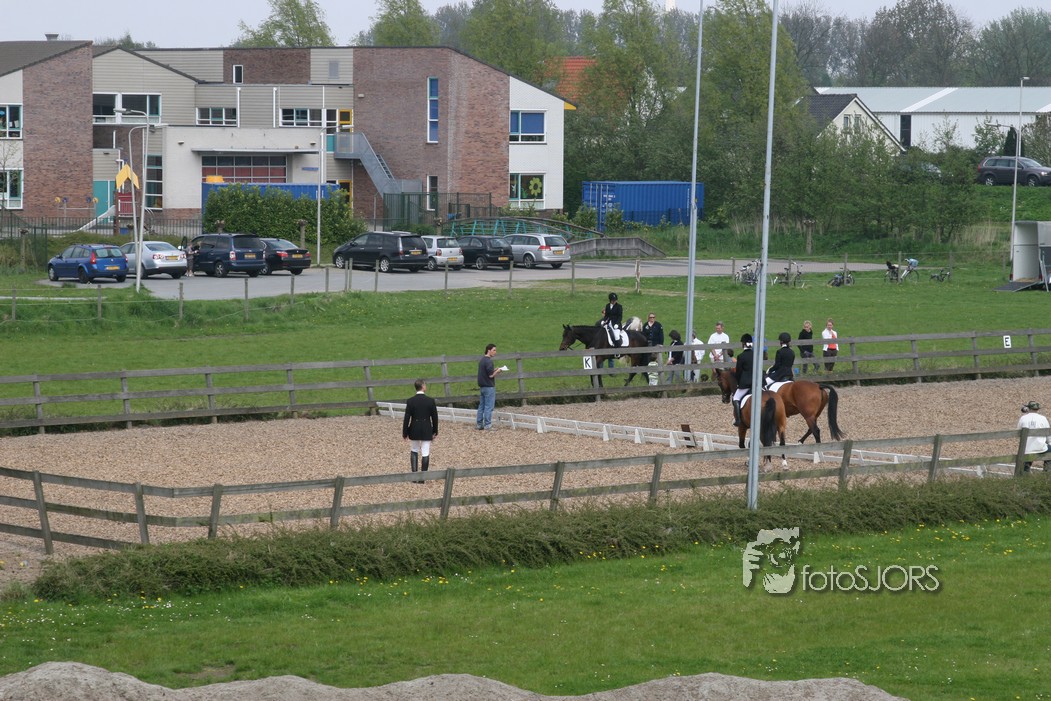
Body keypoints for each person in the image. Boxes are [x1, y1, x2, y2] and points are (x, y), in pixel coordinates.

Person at [402, 379, 438, 483]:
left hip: (414, 428)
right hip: (426, 428)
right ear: (422, 386)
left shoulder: (410, 401)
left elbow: (407, 418)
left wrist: (405, 432)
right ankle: (422, 478)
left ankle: (414, 477)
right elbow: (434, 417)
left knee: (414, 450)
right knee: (425, 452)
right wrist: (435, 430)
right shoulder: (430, 401)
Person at [476, 343, 504, 431]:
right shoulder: (489, 361)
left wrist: (494, 369)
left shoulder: (482, 360)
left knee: (481, 406)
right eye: (494, 350)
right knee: (489, 407)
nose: (495, 352)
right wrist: (498, 371)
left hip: (482, 387)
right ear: (489, 350)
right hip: (489, 387)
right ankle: (488, 425)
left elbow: (487, 372)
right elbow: (491, 375)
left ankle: (479, 424)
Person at [1018, 401, 1050, 473]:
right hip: (1041, 448)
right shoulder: (1043, 418)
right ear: (1038, 409)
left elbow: (1018, 432)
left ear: (1028, 408)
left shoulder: (1023, 418)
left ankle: (1025, 471)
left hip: (1026, 448)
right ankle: (1047, 470)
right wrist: (1049, 443)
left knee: (1027, 456)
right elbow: (1048, 433)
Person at [731, 333, 754, 427]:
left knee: (736, 398)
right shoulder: (756, 354)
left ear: (743, 344)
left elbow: (739, 372)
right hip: (758, 383)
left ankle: (738, 420)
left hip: (746, 383)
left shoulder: (741, 356)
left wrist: (738, 382)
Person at [600, 292, 624, 367]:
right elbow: (606, 316)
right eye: (613, 300)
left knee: (616, 336)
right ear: (610, 300)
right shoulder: (607, 306)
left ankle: (617, 351)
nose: (614, 301)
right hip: (608, 324)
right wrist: (604, 321)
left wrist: (617, 323)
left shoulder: (619, 307)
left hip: (616, 325)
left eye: (615, 300)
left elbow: (620, 317)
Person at [642, 313, 664, 384]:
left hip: (655, 344)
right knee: (648, 358)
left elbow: (661, 335)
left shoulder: (658, 325)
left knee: (655, 358)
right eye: (650, 317)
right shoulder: (645, 325)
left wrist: (661, 344)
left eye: (653, 317)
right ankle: (648, 372)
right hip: (647, 345)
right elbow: (643, 335)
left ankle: (657, 372)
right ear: (648, 318)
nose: (652, 318)